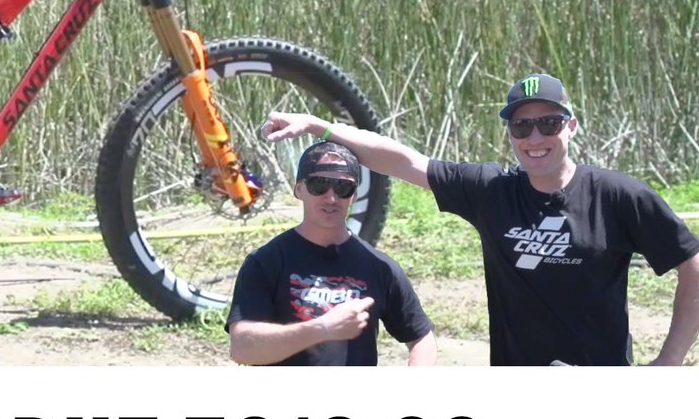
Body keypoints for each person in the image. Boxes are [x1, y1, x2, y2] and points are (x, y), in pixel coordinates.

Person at [260, 73, 699, 366]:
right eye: (521, 127)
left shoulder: (617, 195)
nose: (535, 137)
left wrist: (669, 360)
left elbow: (692, 265)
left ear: (571, 126)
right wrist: (317, 125)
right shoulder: (492, 191)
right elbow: (404, 160)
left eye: (549, 123)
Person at [227, 140, 437, 366]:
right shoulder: (265, 263)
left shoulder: (379, 266)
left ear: (354, 196)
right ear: (299, 190)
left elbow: (422, 338)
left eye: (343, 187)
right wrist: (322, 328)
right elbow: (242, 348)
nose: (331, 198)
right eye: (319, 185)